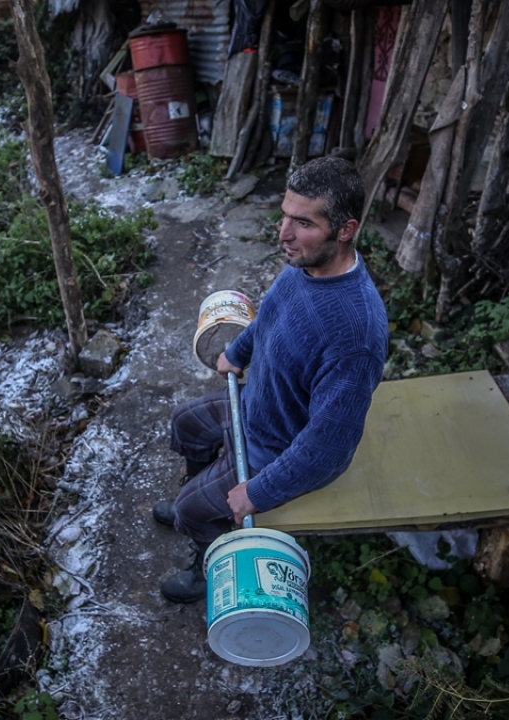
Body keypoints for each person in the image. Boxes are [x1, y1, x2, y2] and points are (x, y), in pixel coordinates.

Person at [153, 156, 389, 603]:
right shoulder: (305, 266)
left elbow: (327, 447)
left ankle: (206, 552)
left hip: (280, 447)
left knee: (190, 511)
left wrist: (259, 492)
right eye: (285, 216)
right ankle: (200, 497)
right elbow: (268, 320)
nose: (283, 235)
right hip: (259, 404)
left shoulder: (354, 334)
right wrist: (236, 352)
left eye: (302, 223)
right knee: (185, 421)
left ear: (345, 230)